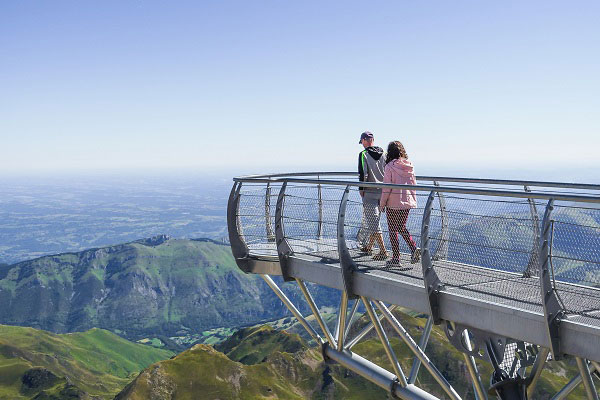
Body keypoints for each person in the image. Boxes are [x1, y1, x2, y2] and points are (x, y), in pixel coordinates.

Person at [379, 141, 420, 266]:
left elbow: (387, 188)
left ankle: (396, 259)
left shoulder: (389, 167)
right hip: (407, 202)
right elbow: (414, 185)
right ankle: (413, 248)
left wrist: (382, 204)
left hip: (393, 202)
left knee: (393, 230)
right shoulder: (409, 166)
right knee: (401, 227)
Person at [357, 131, 388, 260]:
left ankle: (383, 251)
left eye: (362, 142)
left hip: (369, 192)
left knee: (374, 223)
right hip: (383, 191)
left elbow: (363, 173)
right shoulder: (384, 154)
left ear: (365, 140)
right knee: (374, 220)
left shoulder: (363, 154)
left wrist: (361, 188)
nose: (362, 145)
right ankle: (369, 247)